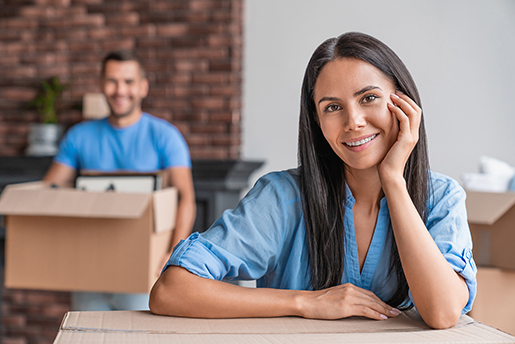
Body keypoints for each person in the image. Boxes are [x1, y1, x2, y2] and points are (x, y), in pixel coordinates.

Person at [149, 32, 476, 329]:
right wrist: (305, 302)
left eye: (369, 98)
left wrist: (393, 180)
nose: (353, 121)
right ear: (317, 123)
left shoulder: (442, 198)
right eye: (332, 107)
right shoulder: (281, 198)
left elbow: (443, 312)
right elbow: (171, 290)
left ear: (404, 105)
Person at [43, 50, 196, 311]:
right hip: (88, 268)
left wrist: (173, 254)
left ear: (143, 87)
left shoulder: (165, 136)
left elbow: (185, 198)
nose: (120, 90)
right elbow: (49, 190)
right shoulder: (79, 136)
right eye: (112, 81)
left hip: (143, 267)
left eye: (128, 82)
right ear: (101, 85)